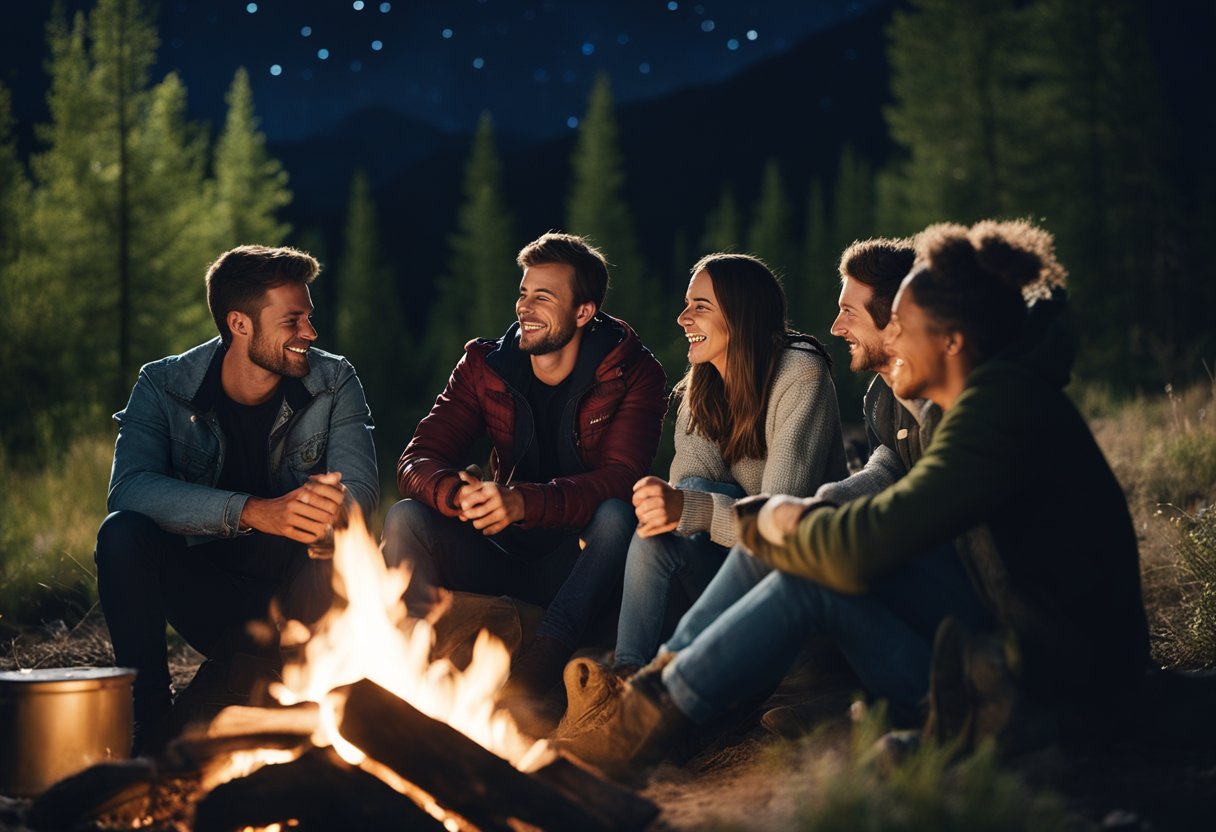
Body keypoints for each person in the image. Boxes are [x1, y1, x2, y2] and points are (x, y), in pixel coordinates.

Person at [560, 220, 1148, 776]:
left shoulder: (998, 411)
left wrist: (781, 524)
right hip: (994, 643)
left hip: (1041, 680)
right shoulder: (963, 404)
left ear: (952, 339)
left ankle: (645, 725)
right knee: (784, 537)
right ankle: (651, 695)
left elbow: (877, 536)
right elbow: (881, 484)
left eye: (900, 324)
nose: (889, 338)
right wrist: (781, 520)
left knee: (802, 565)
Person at [95, 245, 379, 754]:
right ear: (239, 324)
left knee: (336, 544)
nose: (310, 334)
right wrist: (253, 511)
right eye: (293, 321)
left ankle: (283, 692)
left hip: (301, 603)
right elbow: (130, 488)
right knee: (121, 533)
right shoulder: (162, 386)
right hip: (208, 598)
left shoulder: (334, 381)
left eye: (309, 318)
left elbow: (360, 495)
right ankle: (151, 719)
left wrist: (331, 511)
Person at [383, 231, 667, 699]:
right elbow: (417, 458)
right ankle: (417, 673)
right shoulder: (485, 366)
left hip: (580, 569)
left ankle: (538, 675)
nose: (525, 307)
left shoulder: (632, 372)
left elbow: (620, 479)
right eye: (523, 292)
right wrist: (456, 493)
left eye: (544, 296)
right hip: (503, 553)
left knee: (617, 517)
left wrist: (524, 503)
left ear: (584, 312)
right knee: (405, 518)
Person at [608, 253, 848, 677]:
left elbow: (779, 518)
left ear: (742, 315)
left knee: (686, 505)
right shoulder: (701, 386)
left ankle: (663, 681)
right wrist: (666, 508)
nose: (683, 318)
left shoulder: (800, 374)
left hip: (796, 573)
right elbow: (688, 495)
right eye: (686, 304)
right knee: (657, 531)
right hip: (730, 563)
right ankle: (628, 678)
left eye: (701, 307)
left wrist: (689, 507)